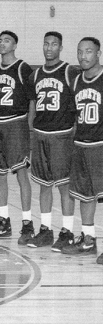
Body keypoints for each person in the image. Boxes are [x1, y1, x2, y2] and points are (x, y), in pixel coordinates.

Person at [27, 31, 79, 251]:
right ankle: (46, 230)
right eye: (46, 44)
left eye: (54, 44)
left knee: (64, 185)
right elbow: (32, 104)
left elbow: (78, 104)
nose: (49, 48)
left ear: (60, 47)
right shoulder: (35, 75)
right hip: (40, 134)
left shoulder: (70, 72)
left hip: (62, 136)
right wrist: (32, 127)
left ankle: (67, 232)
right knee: (44, 185)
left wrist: (73, 133)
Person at [0, 31, 35, 242]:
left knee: (22, 175)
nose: (2, 43)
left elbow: (33, 98)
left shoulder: (23, 67)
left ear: (15, 45)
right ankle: (4, 221)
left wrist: (29, 125)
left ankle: (27, 224)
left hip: (16, 124)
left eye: (6, 40)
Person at [63, 37, 103, 265]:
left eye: (88, 51)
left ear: (98, 53)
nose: (83, 56)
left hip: (101, 145)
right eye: (80, 52)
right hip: (81, 145)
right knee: (84, 196)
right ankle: (88, 239)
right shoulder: (76, 81)